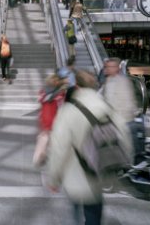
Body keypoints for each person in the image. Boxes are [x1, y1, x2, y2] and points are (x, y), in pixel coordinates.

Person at [47, 70, 132, 225]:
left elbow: (59, 148)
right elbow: (124, 134)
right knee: (94, 211)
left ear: (76, 87)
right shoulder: (106, 106)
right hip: (99, 171)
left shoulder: (68, 110)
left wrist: (54, 178)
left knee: (76, 207)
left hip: (76, 174)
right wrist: (120, 164)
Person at [33, 73, 68, 167]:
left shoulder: (42, 92)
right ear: (55, 82)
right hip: (53, 118)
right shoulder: (60, 94)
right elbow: (61, 106)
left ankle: (39, 157)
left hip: (45, 117)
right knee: (51, 139)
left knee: (43, 138)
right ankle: (47, 157)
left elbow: (41, 103)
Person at [102, 57, 137, 122]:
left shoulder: (123, 82)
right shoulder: (107, 80)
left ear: (117, 68)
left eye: (111, 67)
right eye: (106, 66)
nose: (108, 68)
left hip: (122, 120)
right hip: (112, 119)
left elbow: (128, 104)